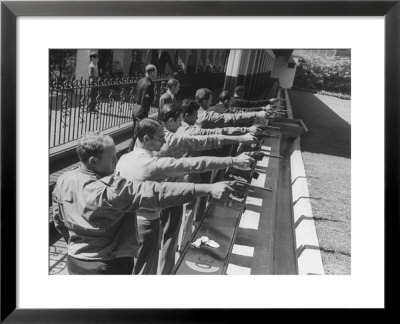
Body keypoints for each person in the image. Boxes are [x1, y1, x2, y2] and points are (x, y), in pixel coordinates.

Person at [52, 132, 234, 275]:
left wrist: (76, 243)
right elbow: (157, 192)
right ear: (93, 161)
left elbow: (58, 219)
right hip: (107, 265)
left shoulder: (64, 180)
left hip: (75, 261)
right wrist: (207, 189)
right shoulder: (111, 190)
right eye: (111, 157)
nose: (116, 160)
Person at [115, 119, 253, 274]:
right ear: (146, 139)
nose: (164, 141)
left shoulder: (123, 159)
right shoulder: (151, 165)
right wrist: (233, 161)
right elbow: (193, 164)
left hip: (124, 222)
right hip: (146, 225)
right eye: (160, 138)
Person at [155, 103, 257, 274]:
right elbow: (204, 142)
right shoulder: (173, 138)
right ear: (171, 120)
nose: (181, 124)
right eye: (179, 120)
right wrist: (239, 142)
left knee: (159, 240)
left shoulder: (153, 133)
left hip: (156, 195)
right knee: (168, 239)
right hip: (170, 194)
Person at [194, 88, 269, 129]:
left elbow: (239, 111)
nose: (211, 102)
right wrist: (256, 114)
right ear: (204, 101)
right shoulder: (209, 115)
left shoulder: (209, 109)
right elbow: (233, 117)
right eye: (210, 100)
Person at [129, 64, 157, 151]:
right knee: (138, 134)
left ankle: (132, 150)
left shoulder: (141, 80)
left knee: (136, 133)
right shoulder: (149, 84)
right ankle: (130, 152)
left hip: (136, 108)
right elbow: (144, 100)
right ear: (152, 72)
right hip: (141, 110)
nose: (156, 74)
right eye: (155, 72)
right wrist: (144, 116)